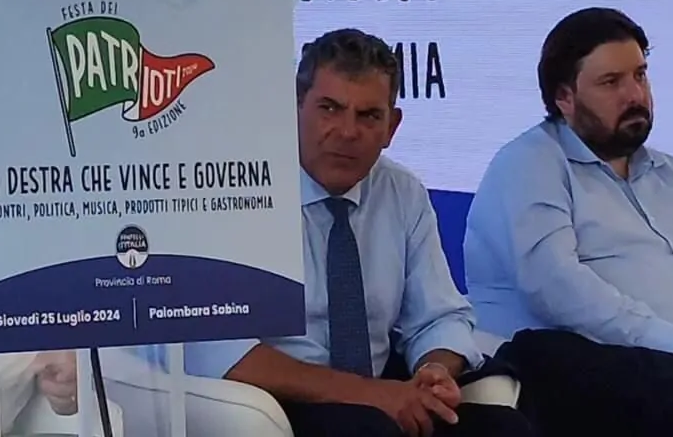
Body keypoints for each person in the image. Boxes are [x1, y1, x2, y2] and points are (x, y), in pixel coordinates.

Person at [190, 30, 533, 437]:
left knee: (504, 428)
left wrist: (434, 370)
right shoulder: (232, 192)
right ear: (294, 108)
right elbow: (220, 350)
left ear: (392, 126)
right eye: (329, 109)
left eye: (369, 115)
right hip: (287, 401)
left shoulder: (401, 192)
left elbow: (438, 316)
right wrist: (370, 394)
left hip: (383, 393)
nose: (347, 131)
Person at [465, 8, 673, 436]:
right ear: (564, 97)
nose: (635, 95)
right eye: (611, 82)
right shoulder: (530, 165)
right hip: (608, 374)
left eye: (640, 75)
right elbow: (556, 288)